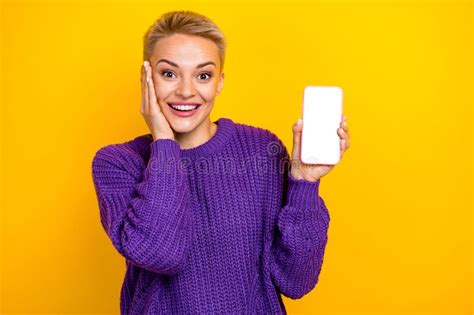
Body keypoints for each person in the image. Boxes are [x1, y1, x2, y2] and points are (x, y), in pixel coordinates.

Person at [91, 10, 351, 314]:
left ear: (219, 82)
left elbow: (296, 281)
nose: (186, 91)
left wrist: (304, 183)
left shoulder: (261, 150)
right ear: (146, 77)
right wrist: (163, 140)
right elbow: (163, 253)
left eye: (203, 75)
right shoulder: (118, 163)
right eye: (169, 74)